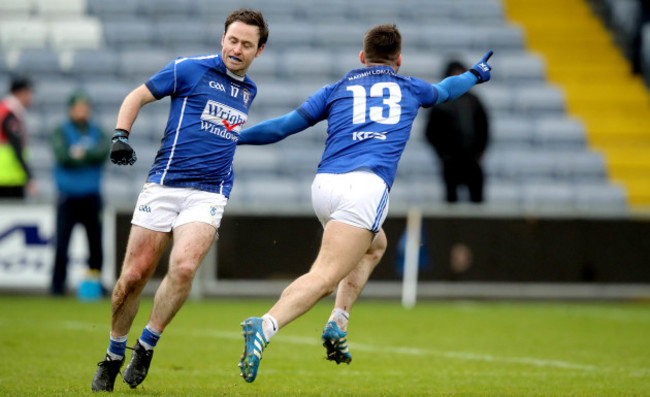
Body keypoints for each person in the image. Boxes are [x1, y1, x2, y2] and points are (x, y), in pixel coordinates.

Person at [235, 24, 493, 383]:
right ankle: (264, 326)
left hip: (324, 186)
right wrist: (476, 74)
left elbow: (282, 127)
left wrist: (236, 137)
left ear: (362, 57)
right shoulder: (410, 88)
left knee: (375, 245)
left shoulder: (337, 89)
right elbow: (448, 90)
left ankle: (337, 322)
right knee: (325, 276)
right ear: (398, 60)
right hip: (365, 188)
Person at [91, 9, 269, 392]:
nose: (237, 49)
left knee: (184, 267)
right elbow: (136, 95)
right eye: (232, 40)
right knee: (134, 276)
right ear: (222, 38)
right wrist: (120, 135)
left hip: (210, 191)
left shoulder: (249, 90)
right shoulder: (188, 68)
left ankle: (147, 344)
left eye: (246, 44)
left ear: (259, 50)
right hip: (165, 184)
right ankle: (113, 354)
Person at [50, 92, 110, 296]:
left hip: (91, 195)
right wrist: (86, 154)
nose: (83, 111)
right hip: (68, 195)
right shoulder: (61, 130)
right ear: (71, 109)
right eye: (79, 107)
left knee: (95, 245)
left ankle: (95, 283)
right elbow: (63, 157)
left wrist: (80, 153)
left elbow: (103, 153)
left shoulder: (97, 130)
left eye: (86, 107)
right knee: (62, 244)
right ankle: (57, 285)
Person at [425, 60, 489, 203]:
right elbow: (430, 132)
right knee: (451, 201)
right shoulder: (440, 103)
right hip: (450, 161)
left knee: (477, 200)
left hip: (472, 159)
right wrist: (443, 154)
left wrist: (480, 151)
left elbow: (484, 128)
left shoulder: (474, 101)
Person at [0, 77, 35, 198]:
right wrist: (29, 175)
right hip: (8, 177)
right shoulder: (11, 113)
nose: (31, 97)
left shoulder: (4, 109)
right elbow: (16, 144)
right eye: (29, 93)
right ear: (20, 93)